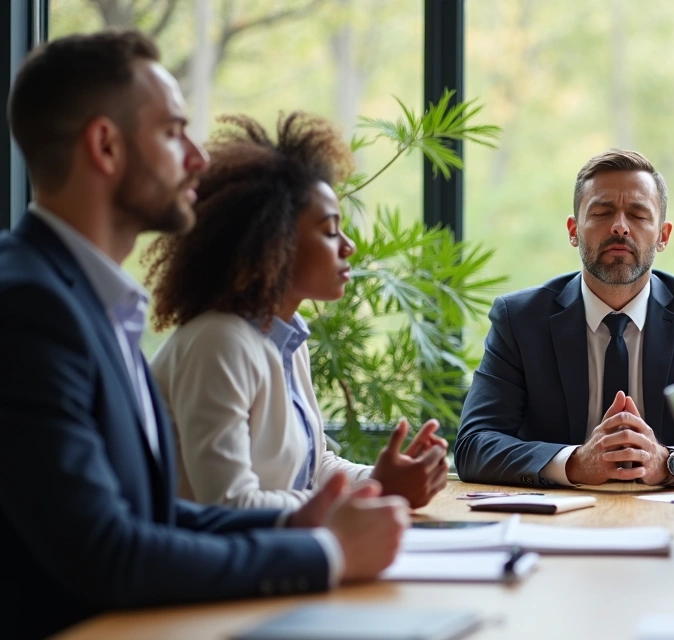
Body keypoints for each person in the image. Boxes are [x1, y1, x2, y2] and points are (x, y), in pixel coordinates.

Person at [0, 30, 406, 639]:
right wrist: (326, 554)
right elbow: (106, 552)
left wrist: (297, 527)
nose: (196, 156)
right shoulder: (30, 307)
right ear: (105, 147)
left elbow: (154, 519)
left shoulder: (93, 303)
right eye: (171, 131)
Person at [146, 112, 448, 512]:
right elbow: (229, 504)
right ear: (273, 241)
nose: (347, 247)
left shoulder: (283, 337)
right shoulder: (218, 342)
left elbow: (311, 466)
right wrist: (374, 493)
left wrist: (381, 478)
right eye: (329, 230)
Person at [455, 149, 674, 487]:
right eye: (601, 212)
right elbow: (475, 445)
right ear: (573, 230)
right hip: (559, 524)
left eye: (638, 215)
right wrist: (574, 463)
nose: (620, 227)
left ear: (663, 235)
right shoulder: (519, 320)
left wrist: (670, 462)